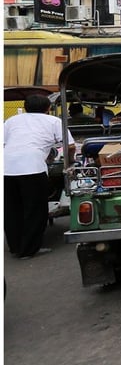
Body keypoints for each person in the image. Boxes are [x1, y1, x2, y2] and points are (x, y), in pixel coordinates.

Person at [4, 94, 75, 258]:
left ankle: (16, 247)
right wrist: (69, 162)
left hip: (6, 168)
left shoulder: (12, 120)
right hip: (32, 168)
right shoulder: (54, 121)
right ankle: (29, 249)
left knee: (12, 209)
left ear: (25, 107)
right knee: (35, 210)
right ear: (48, 108)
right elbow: (70, 146)